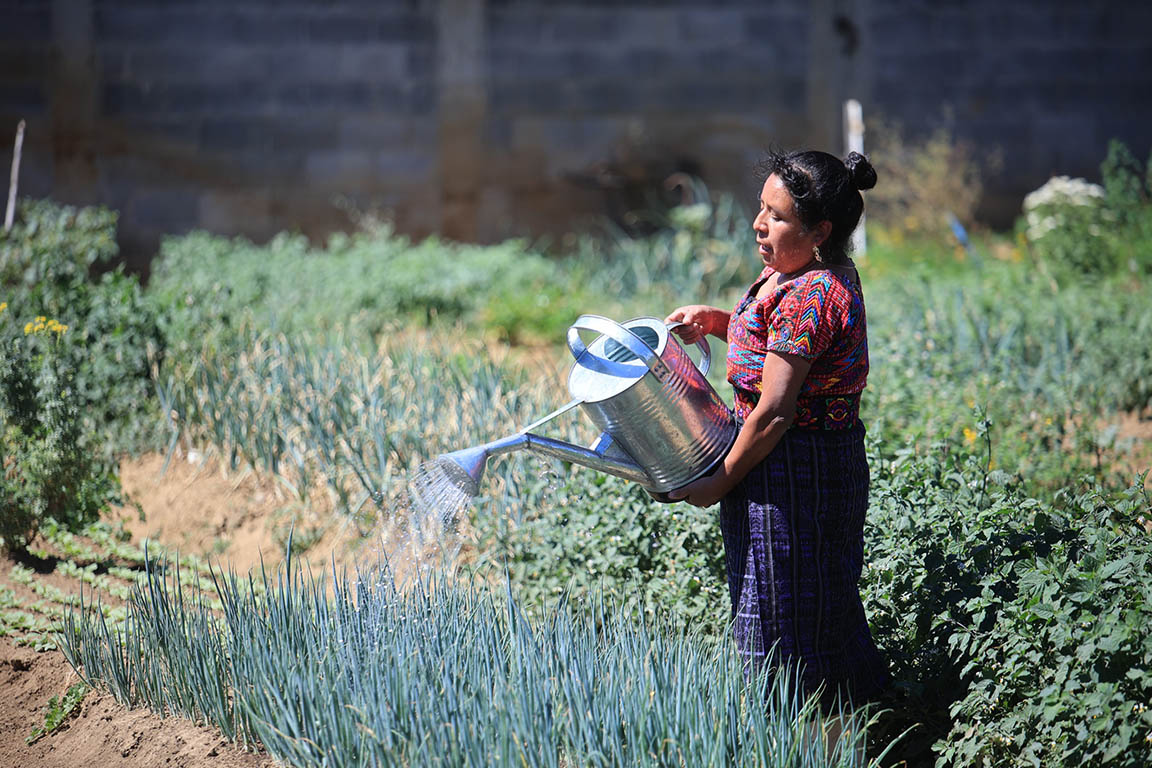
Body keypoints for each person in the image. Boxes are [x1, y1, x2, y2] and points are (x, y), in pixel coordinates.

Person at [664, 149, 889, 716]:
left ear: (820, 232)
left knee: (791, 621)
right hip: (774, 462)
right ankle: (812, 731)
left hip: (800, 474)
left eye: (777, 216)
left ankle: (822, 738)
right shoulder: (788, 272)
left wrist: (718, 481)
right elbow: (772, 345)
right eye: (761, 207)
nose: (758, 224)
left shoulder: (815, 294)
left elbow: (773, 413)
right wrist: (717, 322)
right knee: (782, 609)